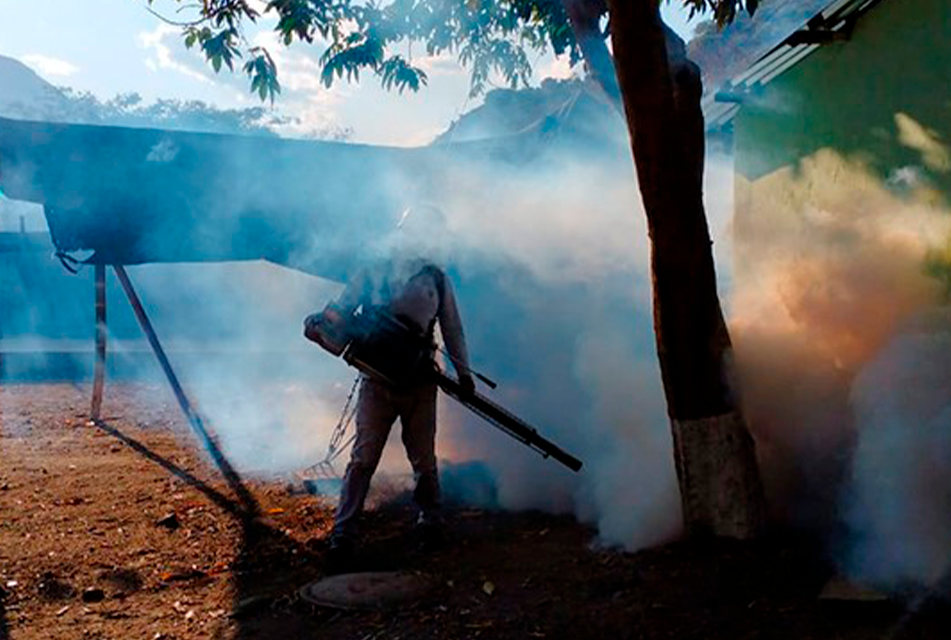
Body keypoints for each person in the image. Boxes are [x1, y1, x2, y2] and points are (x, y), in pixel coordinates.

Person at [324, 206, 475, 571]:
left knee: (423, 458)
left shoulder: (437, 280)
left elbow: (452, 329)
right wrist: (325, 324)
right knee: (363, 458)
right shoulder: (373, 269)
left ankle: (430, 520)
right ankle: (343, 533)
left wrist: (464, 374)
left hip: (421, 381)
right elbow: (341, 310)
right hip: (376, 380)